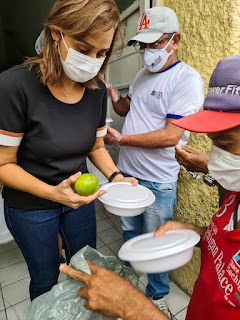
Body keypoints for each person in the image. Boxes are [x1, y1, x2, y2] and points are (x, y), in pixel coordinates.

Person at [59, 55, 240, 320]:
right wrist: (198, 233)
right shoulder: (234, 192)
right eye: (213, 143)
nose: (216, 156)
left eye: (225, 145)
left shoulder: (183, 78)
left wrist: (134, 307)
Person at [0, 0, 137, 301]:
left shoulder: (97, 90)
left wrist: (115, 176)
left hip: (81, 199)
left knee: (86, 269)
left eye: (102, 54)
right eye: (84, 48)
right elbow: (3, 165)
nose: (92, 61)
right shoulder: (15, 87)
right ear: (55, 34)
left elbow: (96, 145)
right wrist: (52, 193)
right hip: (30, 204)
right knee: (46, 278)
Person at [104, 6, 204, 314]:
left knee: (156, 243)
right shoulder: (142, 75)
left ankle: (157, 293)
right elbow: (127, 110)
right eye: (143, 45)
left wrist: (121, 140)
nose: (147, 52)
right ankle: (132, 283)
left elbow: (170, 136)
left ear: (175, 41)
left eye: (155, 43)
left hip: (159, 180)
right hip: (128, 175)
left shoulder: (186, 80)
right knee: (132, 235)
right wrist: (114, 97)